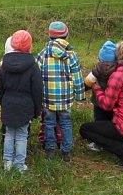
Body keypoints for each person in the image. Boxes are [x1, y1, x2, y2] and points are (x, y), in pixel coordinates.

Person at [36, 21, 86, 161]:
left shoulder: (42, 54)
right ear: (66, 35)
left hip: (48, 98)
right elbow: (77, 77)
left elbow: (37, 76)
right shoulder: (72, 55)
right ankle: (66, 152)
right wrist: (80, 96)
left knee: (48, 123)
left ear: (49, 35)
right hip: (65, 98)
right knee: (66, 123)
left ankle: (50, 150)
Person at [0, 30, 42, 172]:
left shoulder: (4, 65)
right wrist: (36, 109)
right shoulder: (33, 65)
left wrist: (4, 102)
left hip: (9, 103)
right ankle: (19, 165)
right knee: (22, 135)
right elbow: (37, 89)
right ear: (30, 46)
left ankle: (7, 163)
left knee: (9, 133)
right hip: (25, 105)